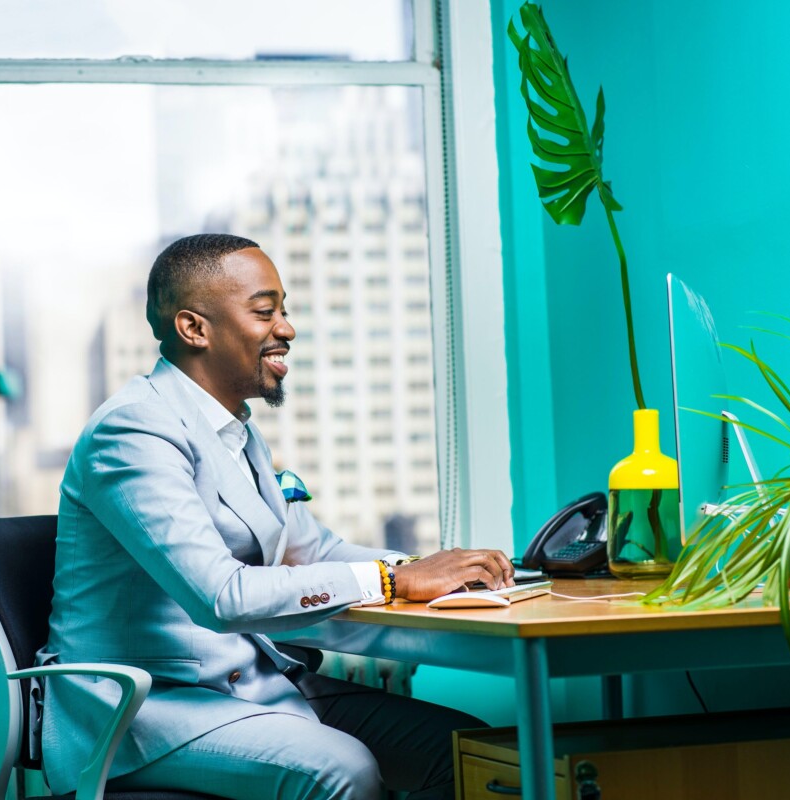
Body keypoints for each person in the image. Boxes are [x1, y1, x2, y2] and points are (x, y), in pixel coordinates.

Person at [37, 234, 517, 799]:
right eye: (265, 312)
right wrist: (392, 580)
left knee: (466, 748)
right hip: (145, 710)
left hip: (251, 689)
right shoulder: (133, 431)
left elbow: (313, 552)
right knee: (342, 769)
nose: (286, 328)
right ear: (195, 329)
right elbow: (222, 597)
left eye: (284, 310)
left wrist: (427, 569)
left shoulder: (235, 432)